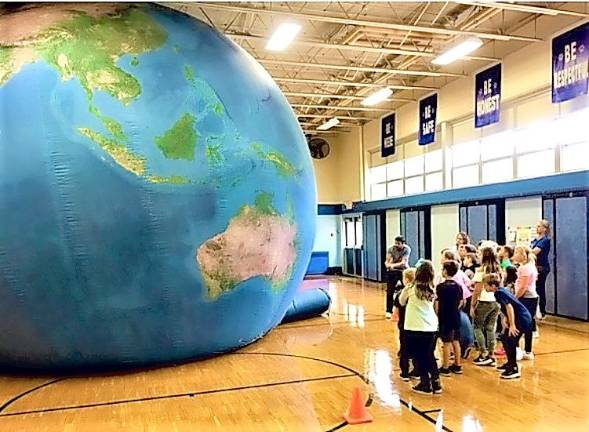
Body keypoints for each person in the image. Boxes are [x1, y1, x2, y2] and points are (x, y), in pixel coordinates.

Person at [399, 260, 441, 395]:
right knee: (429, 355)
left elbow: (401, 301)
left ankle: (425, 383)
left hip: (415, 326)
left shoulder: (411, 288)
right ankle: (436, 382)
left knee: (419, 356)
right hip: (431, 326)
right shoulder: (433, 289)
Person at [482, 273, 532, 379]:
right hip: (520, 317)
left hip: (522, 319)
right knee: (504, 338)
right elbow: (507, 306)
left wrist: (513, 325)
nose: (484, 287)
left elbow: (509, 307)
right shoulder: (501, 291)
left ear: (493, 285)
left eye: (486, 285)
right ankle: (509, 363)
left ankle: (513, 368)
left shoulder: (499, 293)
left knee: (511, 340)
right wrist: (505, 318)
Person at [471, 246, 501, 367]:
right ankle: (491, 354)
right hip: (496, 302)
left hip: (483, 302)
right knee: (490, 328)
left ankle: (482, 353)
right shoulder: (498, 270)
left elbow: (477, 290)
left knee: (478, 327)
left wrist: (472, 305)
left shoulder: (481, 271)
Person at [435, 260, 464, 376]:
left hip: (444, 316)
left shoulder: (440, 287)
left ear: (445, 272)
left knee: (446, 342)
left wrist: (437, 315)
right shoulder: (458, 286)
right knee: (456, 341)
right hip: (455, 316)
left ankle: (445, 367)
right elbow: (461, 302)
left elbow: (437, 303)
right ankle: (457, 365)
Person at [512, 246, 539, 360]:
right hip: (530, 298)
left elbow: (523, 286)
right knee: (528, 324)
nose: (515, 255)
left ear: (523, 255)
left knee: (521, 323)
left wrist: (514, 298)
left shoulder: (525, 268)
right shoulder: (528, 266)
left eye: (517, 253)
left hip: (526, 298)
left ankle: (516, 349)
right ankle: (527, 351)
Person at [394, 268, 416, 381]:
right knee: (417, 348)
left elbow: (396, 311)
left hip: (404, 324)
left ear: (406, 280)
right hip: (416, 324)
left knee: (404, 349)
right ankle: (417, 371)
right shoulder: (419, 292)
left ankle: (405, 372)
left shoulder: (401, 293)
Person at [385, 236, 411, 318]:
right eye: (395, 243)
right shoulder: (391, 249)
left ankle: (406, 308)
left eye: (398, 243)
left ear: (403, 244)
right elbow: (388, 260)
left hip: (403, 270)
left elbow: (403, 262)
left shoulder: (407, 249)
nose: (396, 245)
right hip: (393, 271)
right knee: (390, 291)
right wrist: (388, 265)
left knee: (407, 289)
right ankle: (389, 310)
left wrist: (392, 265)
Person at [530, 220, 551, 319]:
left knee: (540, 289)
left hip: (542, 268)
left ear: (544, 229)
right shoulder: (534, 240)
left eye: (539, 226)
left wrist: (526, 251)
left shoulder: (545, 240)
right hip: (534, 267)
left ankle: (542, 311)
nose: (537, 228)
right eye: (537, 226)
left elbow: (534, 252)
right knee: (534, 289)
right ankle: (535, 310)